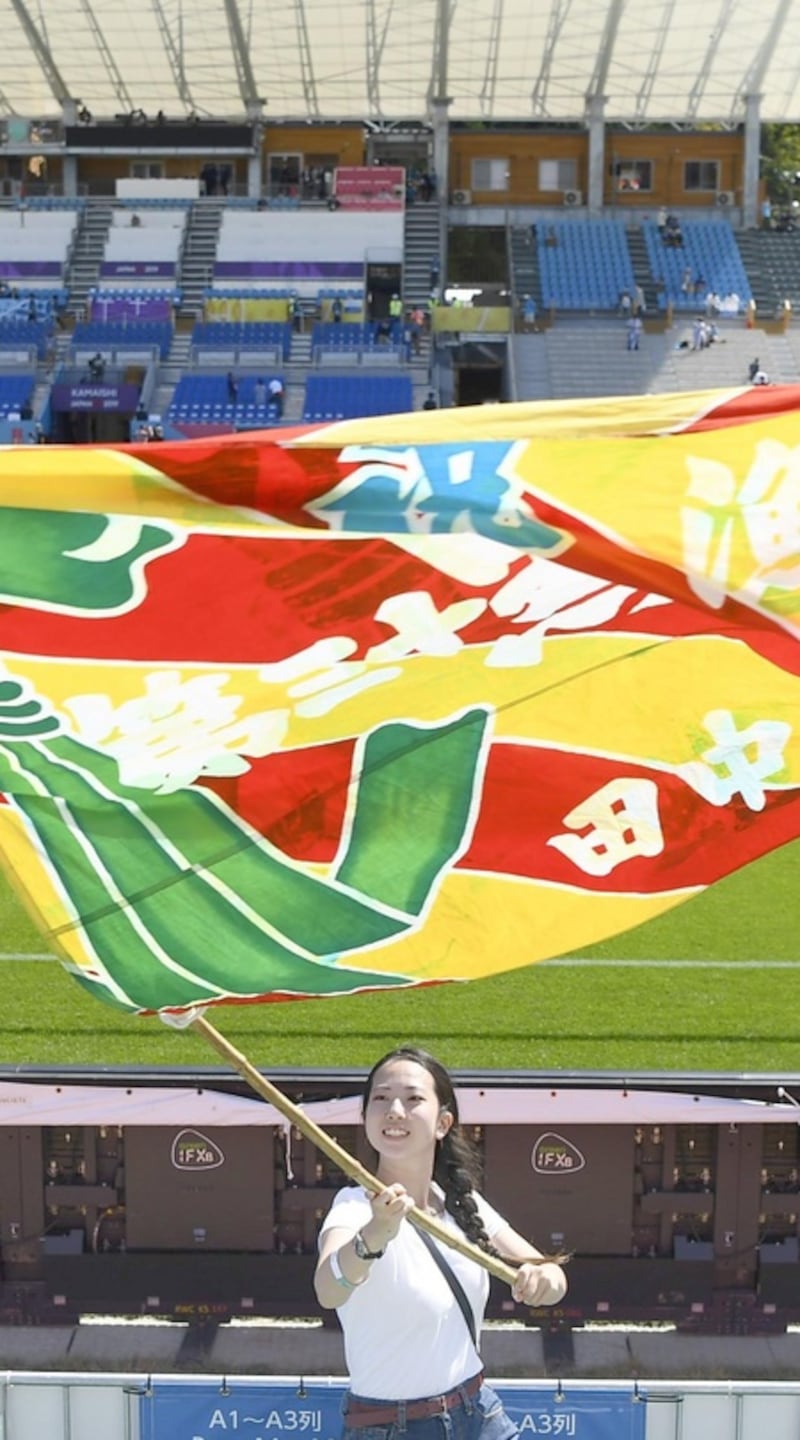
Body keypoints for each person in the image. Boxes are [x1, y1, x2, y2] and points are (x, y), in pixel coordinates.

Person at [314, 1046, 567, 1440]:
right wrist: (375, 1234)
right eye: (380, 1098)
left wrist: (547, 1280)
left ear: (443, 1122)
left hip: (479, 1414)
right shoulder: (353, 1208)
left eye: (413, 1098)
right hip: (391, 1428)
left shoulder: (462, 1205)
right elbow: (328, 1290)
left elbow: (546, 1270)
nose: (395, 1110)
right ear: (364, 1117)